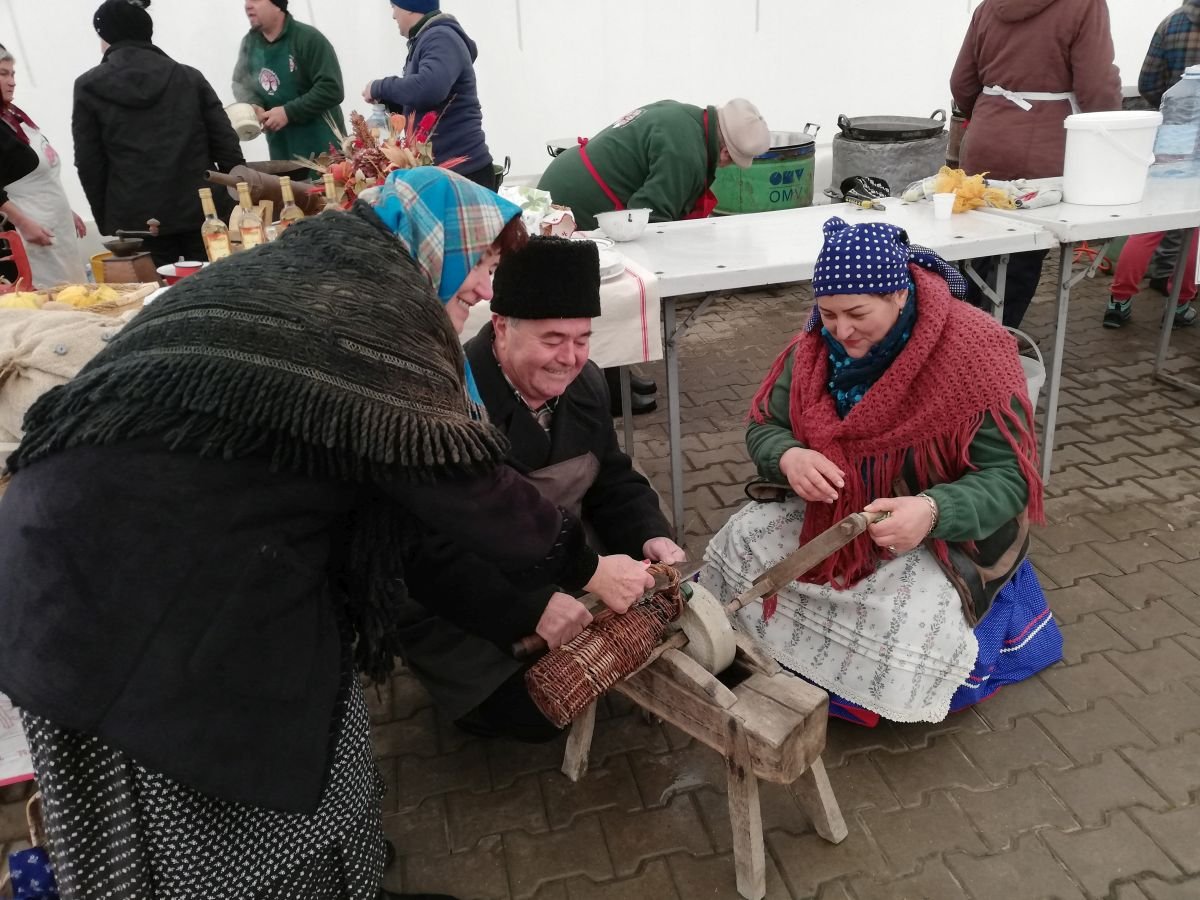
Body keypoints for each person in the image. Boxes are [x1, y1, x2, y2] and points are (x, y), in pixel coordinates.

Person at [0, 168, 653, 900]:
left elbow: (405, 517)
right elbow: (457, 489)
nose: (475, 295)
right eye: (478, 272)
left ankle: (339, 878)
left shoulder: (315, 268)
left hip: (94, 550)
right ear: (437, 246)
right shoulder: (374, 312)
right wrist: (588, 569)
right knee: (194, 806)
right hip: (130, 590)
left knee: (296, 746)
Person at [701, 217, 1062, 727]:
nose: (840, 330)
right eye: (827, 312)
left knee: (904, 618)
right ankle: (767, 657)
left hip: (939, 528)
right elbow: (765, 425)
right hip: (838, 513)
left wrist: (933, 510)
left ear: (899, 294)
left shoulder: (975, 353)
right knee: (742, 540)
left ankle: (869, 696)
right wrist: (787, 456)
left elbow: (1009, 479)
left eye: (856, 313)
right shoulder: (813, 348)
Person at [396, 236, 685, 742]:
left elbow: (612, 479)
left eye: (582, 338)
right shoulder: (448, 404)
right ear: (502, 328)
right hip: (465, 595)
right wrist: (530, 608)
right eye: (553, 339)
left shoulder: (589, 384)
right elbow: (425, 550)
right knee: (533, 715)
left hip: (561, 564)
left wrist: (647, 535)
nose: (569, 358)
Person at [538, 98, 769, 415]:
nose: (726, 166)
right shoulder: (685, 154)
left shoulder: (682, 114)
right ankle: (604, 389)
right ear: (727, 151)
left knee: (605, 292)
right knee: (612, 292)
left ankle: (615, 372)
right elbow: (651, 219)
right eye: (731, 161)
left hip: (565, 182)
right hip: (574, 208)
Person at [950, 0, 1122, 327]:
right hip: (1044, 155)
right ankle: (986, 353)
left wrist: (991, 113)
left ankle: (961, 338)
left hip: (983, 145)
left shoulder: (988, 7)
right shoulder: (1085, 5)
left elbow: (961, 82)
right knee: (1019, 262)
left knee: (978, 255)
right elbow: (1097, 87)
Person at [73, 0, 245, 267]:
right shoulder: (189, 78)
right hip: (202, 209)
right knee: (216, 290)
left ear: (105, 36)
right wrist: (239, 202)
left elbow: (89, 161)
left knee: (153, 300)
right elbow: (225, 143)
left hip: (136, 219)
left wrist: (108, 220)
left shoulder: (88, 86)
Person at [1104, 2, 1200, 329]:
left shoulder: (1172, 22)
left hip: (1175, 133)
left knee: (1149, 222)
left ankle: (1119, 300)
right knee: (1194, 228)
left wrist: (1175, 108)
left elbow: (1148, 82)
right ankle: (1180, 303)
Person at [363, 1, 495, 189]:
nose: (393, 16)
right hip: (446, 174)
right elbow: (425, 101)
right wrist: (389, 101)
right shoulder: (427, 39)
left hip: (463, 174)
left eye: (394, 7)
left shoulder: (441, 37)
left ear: (409, 7)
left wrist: (380, 87)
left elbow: (430, 88)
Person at [0, 45, 87, 288]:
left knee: (76, 293)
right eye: (3, 74)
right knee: (51, 302)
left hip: (54, 224)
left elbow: (42, 174)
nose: (12, 81)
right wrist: (24, 223)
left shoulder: (14, 117)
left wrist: (65, 210)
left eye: (13, 74)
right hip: (31, 233)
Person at [232, 0, 345, 164]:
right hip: (282, 154)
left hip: (324, 152)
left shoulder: (308, 38)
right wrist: (253, 105)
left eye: (256, 0)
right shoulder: (250, 43)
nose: (248, 5)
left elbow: (331, 88)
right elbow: (240, 83)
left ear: (277, 5)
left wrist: (288, 112)